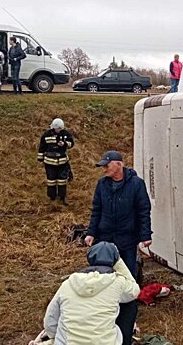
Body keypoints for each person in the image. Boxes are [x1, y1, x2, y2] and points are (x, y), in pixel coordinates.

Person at [84, 150, 152, 345]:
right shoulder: (101, 184)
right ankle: (105, 311)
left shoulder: (136, 184)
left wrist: (145, 236)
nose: (103, 168)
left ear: (119, 165)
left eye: (107, 165)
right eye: (102, 165)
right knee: (103, 276)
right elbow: (96, 210)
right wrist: (91, 232)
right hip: (105, 239)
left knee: (127, 276)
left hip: (127, 239)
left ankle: (128, 316)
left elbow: (143, 211)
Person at [43, 242, 140, 345]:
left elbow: (50, 319)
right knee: (130, 304)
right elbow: (135, 291)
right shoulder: (118, 283)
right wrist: (119, 261)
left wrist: (55, 338)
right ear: (114, 261)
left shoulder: (68, 284)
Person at [37, 118, 74, 205]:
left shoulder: (66, 134)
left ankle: (62, 197)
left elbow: (71, 143)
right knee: (51, 180)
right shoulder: (46, 135)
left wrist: (64, 144)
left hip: (62, 162)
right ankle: (52, 197)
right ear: (53, 128)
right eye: (57, 129)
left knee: (62, 180)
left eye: (60, 129)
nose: (58, 131)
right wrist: (40, 157)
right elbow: (42, 147)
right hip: (49, 162)